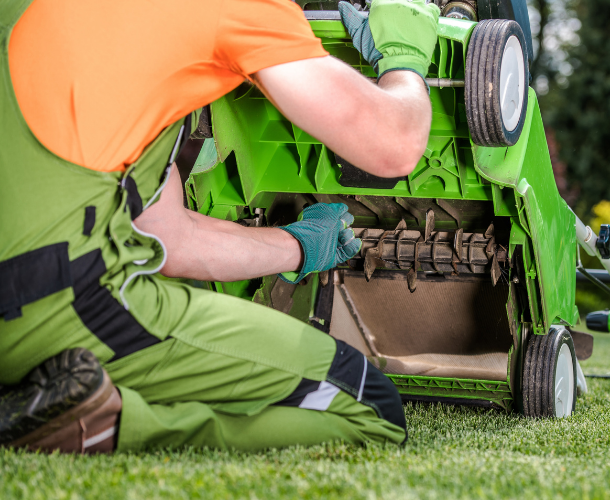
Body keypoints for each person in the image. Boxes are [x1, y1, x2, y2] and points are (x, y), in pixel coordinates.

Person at [0, 0, 440, 453]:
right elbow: (396, 143)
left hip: (34, 285)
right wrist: (404, 60)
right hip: (53, 309)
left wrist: (299, 246)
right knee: (371, 406)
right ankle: (107, 425)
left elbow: (167, 237)